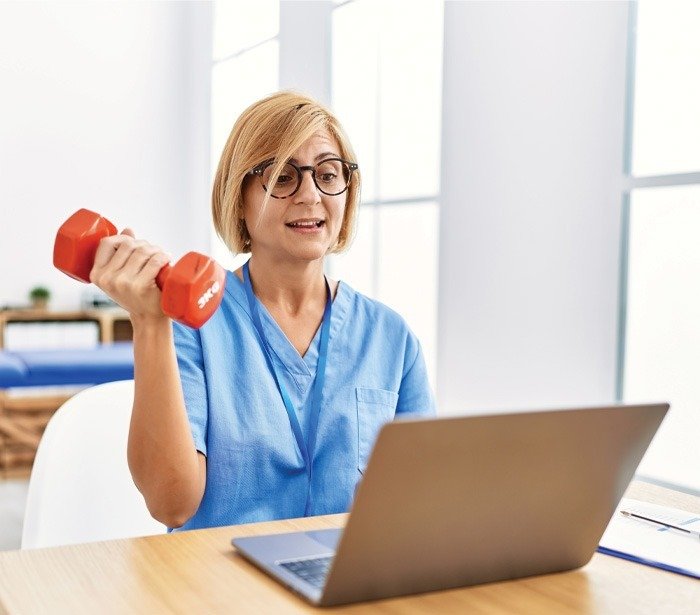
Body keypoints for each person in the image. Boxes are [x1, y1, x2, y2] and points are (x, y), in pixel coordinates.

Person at [89, 91, 435, 531]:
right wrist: (149, 322)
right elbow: (170, 504)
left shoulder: (392, 338)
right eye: (282, 176)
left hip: (344, 587)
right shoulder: (193, 325)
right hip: (221, 589)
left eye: (328, 174)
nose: (311, 194)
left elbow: (421, 506)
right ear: (239, 199)